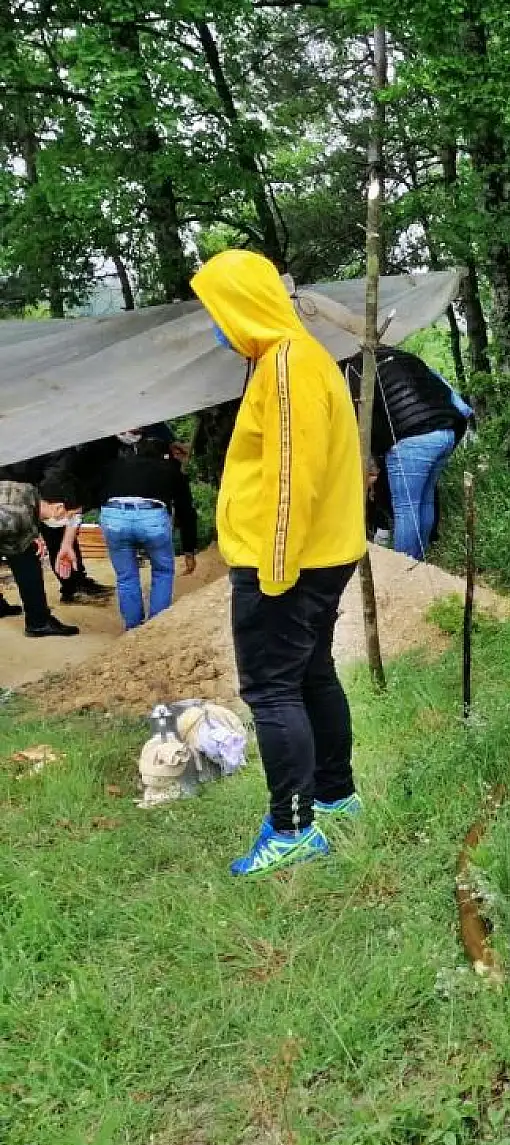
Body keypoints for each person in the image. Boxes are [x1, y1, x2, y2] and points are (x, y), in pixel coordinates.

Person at [191, 248, 368, 876]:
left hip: (288, 560)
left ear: (242, 305)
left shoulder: (288, 364)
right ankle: (335, 791)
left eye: (217, 308)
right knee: (311, 673)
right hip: (318, 554)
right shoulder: (292, 357)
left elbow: (292, 476)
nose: (216, 323)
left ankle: (292, 827)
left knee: (271, 689)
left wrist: (273, 565)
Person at [340, 346, 474, 560]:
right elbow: (462, 406)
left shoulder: (351, 373)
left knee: (406, 509)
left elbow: (355, 425)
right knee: (425, 500)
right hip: (447, 431)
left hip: (412, 439)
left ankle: (405, 568)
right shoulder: (405, 358)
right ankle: (419, 562)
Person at [85, 424, 199, 629]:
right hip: (151, 517)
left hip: (114, 516)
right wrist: (189, 549)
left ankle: (133, 629)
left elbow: (92, 493)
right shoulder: (170, 470)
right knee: (163, 572)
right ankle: (155, 628)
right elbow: (185, 511)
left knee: (126, 577)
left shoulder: (112, 466)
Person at [0, 453, 81, 637]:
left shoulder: (26, 491)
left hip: (11, 501)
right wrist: (30, 537)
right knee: (27, 559)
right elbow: (16, 530)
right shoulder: (56, 453)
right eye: (64, 515)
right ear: (59, 507)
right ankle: (38, 622)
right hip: (9, 513)